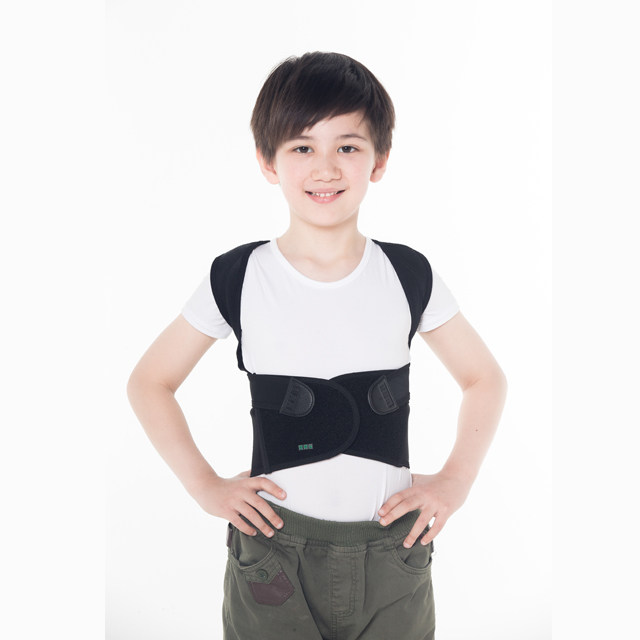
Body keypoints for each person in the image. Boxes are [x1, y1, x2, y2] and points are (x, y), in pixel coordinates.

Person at [127, 51, 507, 640]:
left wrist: (455, 480)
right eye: (302, 147)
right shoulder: (239, 276)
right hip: (273, 552)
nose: (325, 168)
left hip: (393, 550)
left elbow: (485, 379)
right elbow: (150, 382)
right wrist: (205, 485)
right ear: (267, 161)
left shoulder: (408, 274)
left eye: (347, 146)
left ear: (379, 160)